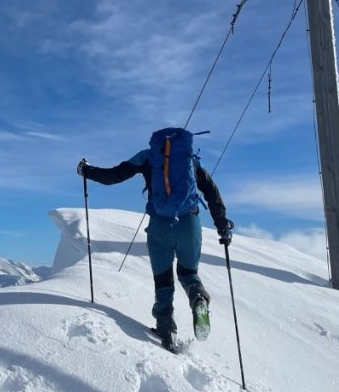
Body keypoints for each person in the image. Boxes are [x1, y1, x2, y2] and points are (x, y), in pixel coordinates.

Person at [77, 127, 233, 352]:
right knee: (188, 273)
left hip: (160, 225)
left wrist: (86, 170)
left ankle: (166, 327)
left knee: (163, 280)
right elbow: (211, 190)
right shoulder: (190, 160)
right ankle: (198, 297)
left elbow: (114, 176)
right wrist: (222, 225)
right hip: (189, 224)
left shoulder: (147, 157)